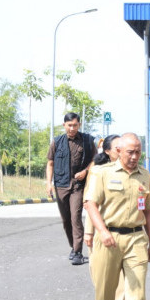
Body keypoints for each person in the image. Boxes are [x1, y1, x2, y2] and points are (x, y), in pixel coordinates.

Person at [84, 133, 150, 300]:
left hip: (136, 237)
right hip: (109, 238)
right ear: (119, 151)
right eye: (130, 152)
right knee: (105, 287)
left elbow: (149, 211)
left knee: (137, 288)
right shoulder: (102, 173)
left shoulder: (144, 176)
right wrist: (102, 231)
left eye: (138, 152)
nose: (135, 156)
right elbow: (91, 205)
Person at [84, 135, 128, 300]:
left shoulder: (134, 172)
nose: (121, 151)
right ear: (108, 151)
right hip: (102, 231)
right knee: (102, 276)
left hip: (127, 234)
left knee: (124, 278)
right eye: (117, 148)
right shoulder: (97, 172)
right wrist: (89, 232)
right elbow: (90, 204)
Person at [46, 112, 96, 265]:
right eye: (69, 125)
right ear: (64, 125)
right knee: (66, 220)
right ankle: (73, 247)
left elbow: (95, 160)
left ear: (79, 124)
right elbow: (50, 163)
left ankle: (78, 252)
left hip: (79, 186)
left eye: (75, 125)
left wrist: (86, 171)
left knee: (75, 217)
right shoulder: (57, 142)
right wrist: (49, 183)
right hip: (61, 184)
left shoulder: (87, 141)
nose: (72, 128)